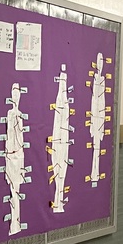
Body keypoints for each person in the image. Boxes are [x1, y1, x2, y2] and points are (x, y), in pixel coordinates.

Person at [5, 82, 26, 236]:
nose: (16, 95)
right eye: (14, 92)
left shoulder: (19, 115)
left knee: (17, 189)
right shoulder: (11, 114)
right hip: (11, 154)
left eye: (18, 92)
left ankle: (16, 222)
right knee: (13, 189)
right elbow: (10, 136)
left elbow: (20, 138)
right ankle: (14, 222)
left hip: (19, 155)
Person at [51, 65, 71, 212]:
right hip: (58, 138)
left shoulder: (65, 103)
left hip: (63, 138)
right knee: (58, 165)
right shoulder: (59, 101)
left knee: (62, 165)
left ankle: (60, 202)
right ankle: (58, 202)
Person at [89, 52, 105, 184]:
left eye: (102, 61)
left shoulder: (102, 80)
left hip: (99, 120)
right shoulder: (95, 80)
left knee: (97, 149)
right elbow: (94, 101)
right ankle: (94, 173)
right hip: (95, 120)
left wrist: (102, 127)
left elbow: (102, 104)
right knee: (95, 148)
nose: (100, 64)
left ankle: (96, 173)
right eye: (99, 61)